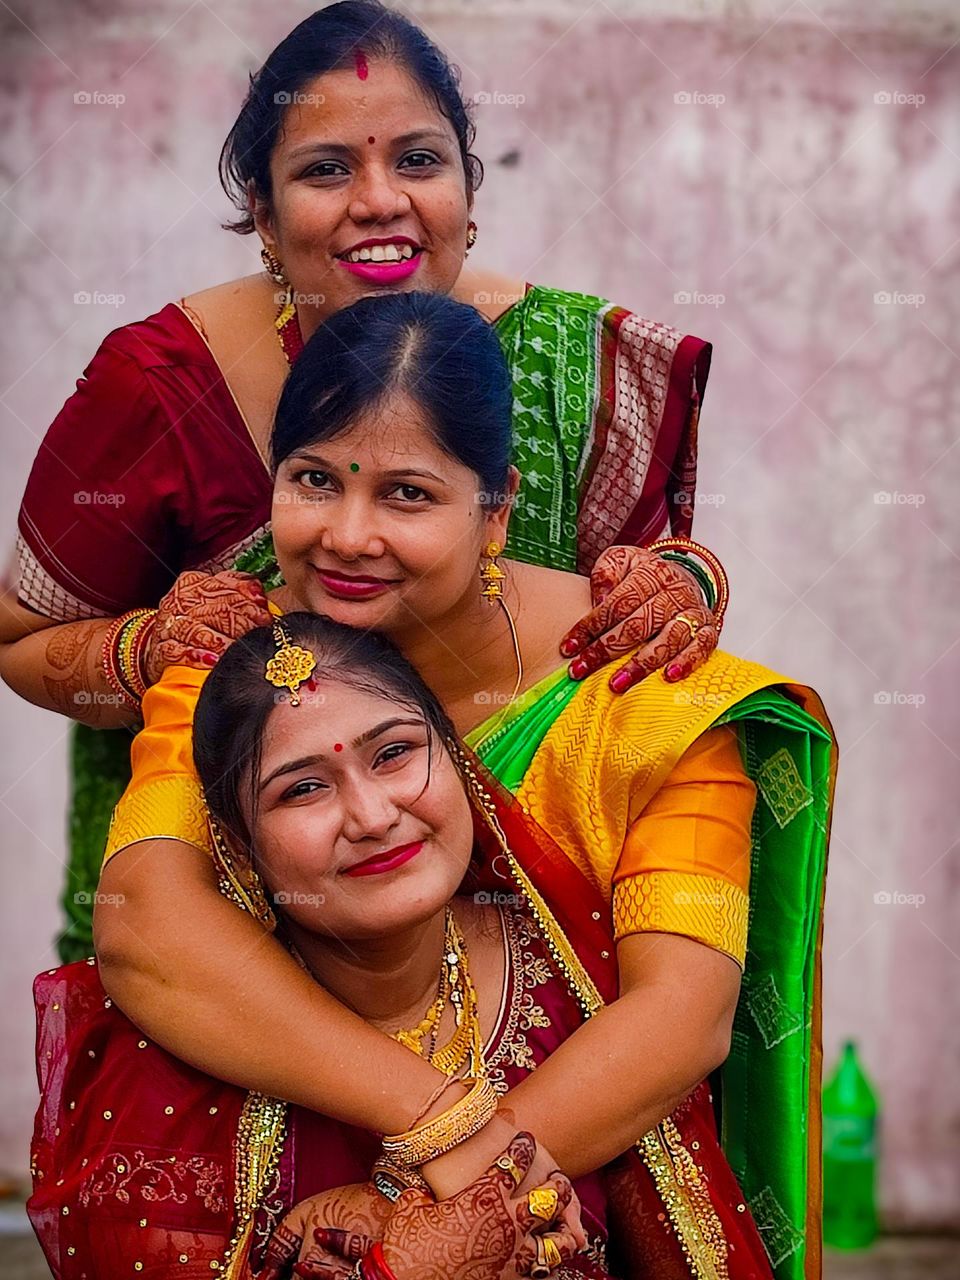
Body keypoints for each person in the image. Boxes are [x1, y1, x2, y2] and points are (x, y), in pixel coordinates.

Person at [88, 292, 836, 1280]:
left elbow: (681, 1016)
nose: (347, 537)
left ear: (496, 509)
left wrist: (430, 1207)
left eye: (407, 494)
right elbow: (147, 923)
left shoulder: (638, 688)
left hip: (577, 1211)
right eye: (314, 479)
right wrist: (436, 1128)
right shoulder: (246, 664)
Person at [2, 0, 718, 963]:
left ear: (469, 187)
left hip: (537, 941)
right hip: (229, 930)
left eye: (417, 161)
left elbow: (619, 625)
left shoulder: (571, 366)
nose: (380, 200)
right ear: (261, 212)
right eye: (326, 168)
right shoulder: (161, 384)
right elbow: (20, 640)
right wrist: (148, 653)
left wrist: (687, 587)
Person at [32, 611, 789, 1280]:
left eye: (394, 753)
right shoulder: (175, 1050)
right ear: (237, 845)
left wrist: (400, 1199)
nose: (370, 814)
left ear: (457, 759)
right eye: (303, 789)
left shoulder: (578, 972)